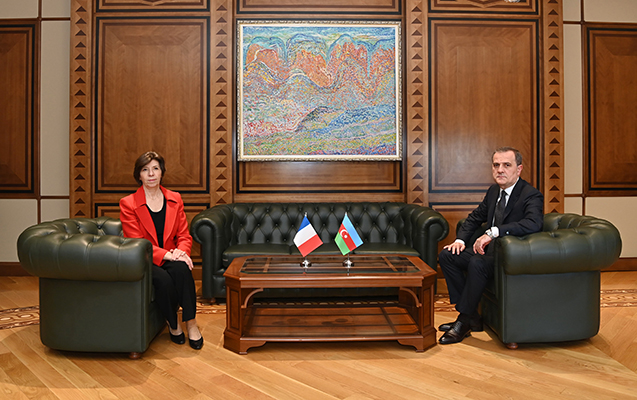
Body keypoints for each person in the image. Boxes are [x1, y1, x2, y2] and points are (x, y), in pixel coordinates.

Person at [438, 146, 544, 345]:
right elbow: (475, 217)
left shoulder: (531, 194)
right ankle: (472, 317)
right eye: (496, 165)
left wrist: (494, 232)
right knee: (447, 256)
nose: (500, 170)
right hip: (486, 252)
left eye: (506, 165)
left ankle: (463, 320)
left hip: (509, 257)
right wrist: (460, 241)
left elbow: (533, 223)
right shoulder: (494, 191)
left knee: (477, 263)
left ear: (519, 169)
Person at [119, 151, 204, 350]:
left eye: (155, 169)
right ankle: (173, 323)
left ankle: (191, 322)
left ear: (161, 172)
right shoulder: (128, 203)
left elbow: (184, 235)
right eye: (145, 170)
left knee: (183, 270)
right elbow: (137, 242)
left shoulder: (175, 198)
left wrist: (181, 253)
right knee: (163, 280)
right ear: (139, 175)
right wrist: (169, 255)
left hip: (172, 254)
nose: (151, 174)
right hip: (145, 259)